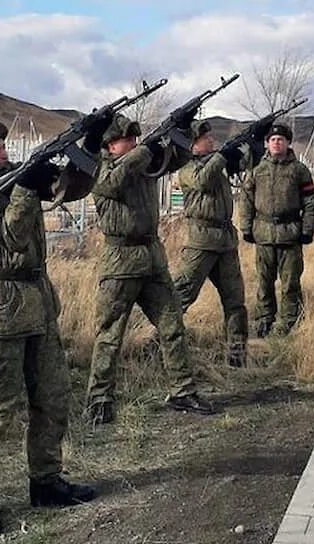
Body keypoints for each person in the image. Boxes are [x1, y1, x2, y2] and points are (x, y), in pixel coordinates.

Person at [0, 112, 110, 534]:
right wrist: (25, 184)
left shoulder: (12, 177)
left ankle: (46, 482)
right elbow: (10, 234)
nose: (5, 154)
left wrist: (88, 147)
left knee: (53, 397)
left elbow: (71, 188)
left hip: (37, 305)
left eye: (5, 148)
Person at [85, 113, 216, 425]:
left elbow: (176, 159)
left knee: (173, 327)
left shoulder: (141, 162)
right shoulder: (100, 170)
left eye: (134, 138)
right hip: (120, 262)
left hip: (152, 260)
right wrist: (145, 149)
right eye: (124, 140)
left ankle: (182, 391)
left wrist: (182, 132)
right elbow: (114, 182)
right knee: (111, 334)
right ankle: (99, 397)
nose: (131, 144)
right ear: (109, 146)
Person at [172, 120, 269, 367]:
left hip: (225, 243)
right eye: (205, 138)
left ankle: (237, 357)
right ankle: (164, 350)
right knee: (179, 298)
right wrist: (223, 155)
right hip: (200, 243)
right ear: (193, 145)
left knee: (235, 302)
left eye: (210, 137)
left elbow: (249, 163)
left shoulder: (218, 162)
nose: (211, 141)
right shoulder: (187, 169)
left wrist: (256, 141)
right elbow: (203, 180)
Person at [239, 123, 314, 337]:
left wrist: (308, 229)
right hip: (263, 234)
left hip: (290, 234)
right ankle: (265, 319)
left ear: (288, 143)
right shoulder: (258, 169)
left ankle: (288, 322)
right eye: (273, 140)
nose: (276, 143)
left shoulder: (299, 170)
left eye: (281, 139)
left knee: (290, 283)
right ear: (267, 143)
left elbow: (311, 201)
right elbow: (246, 199)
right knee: (264, 282)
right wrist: (246, 227)